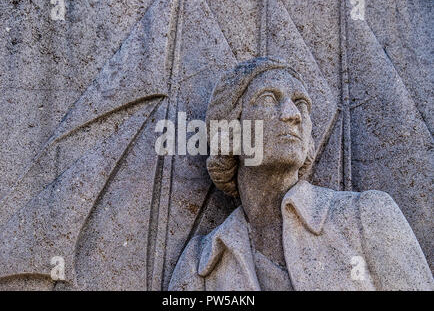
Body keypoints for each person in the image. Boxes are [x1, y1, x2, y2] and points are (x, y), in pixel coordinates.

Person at [168, 57, 433, 291]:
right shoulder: (201, 265)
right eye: (269, 98)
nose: (292, 114)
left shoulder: (367, 217)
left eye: (301, 103)